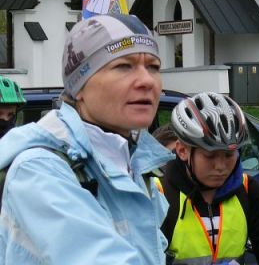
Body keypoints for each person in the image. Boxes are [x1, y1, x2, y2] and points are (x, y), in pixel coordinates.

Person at [0, 13, 174, 264]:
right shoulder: (39, 169)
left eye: (153, 67)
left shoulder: (134, 162)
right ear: (79, 86)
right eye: (123, 66)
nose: (147, 80)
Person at [160, 91, 259, 265]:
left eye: (229, 155)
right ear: (182, 151)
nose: (220, 166)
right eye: (210, 156)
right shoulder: (160, 194)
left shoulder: (247, 189)